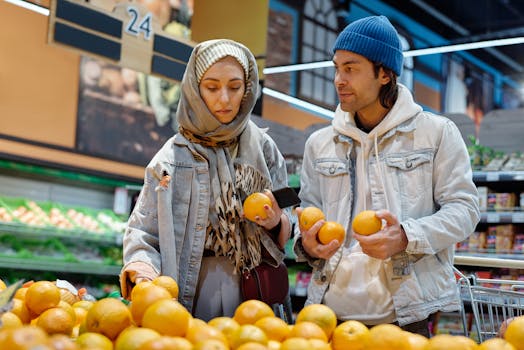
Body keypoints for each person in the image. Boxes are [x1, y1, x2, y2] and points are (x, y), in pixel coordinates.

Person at [294, 15, 480, 336]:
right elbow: (307, 211)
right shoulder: (319, 144)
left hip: (407, 313)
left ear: (384, 74)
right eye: (336, 67)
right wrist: (308, 244)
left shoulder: (435, 134)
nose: (339, 79)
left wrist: (406, 236)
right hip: (330, 312)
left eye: (350, 68)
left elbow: (465, 210)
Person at [120, 39, 292, 321]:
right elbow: (143, 231)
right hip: (190, 288)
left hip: (255, 290)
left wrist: (276, 222)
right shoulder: (170, 159)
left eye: (235, 87)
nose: (224, 99)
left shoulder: (265, 151)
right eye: (212, 87)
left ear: (247, 89)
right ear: (194, 89)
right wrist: (144, 273)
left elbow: (290, 222)